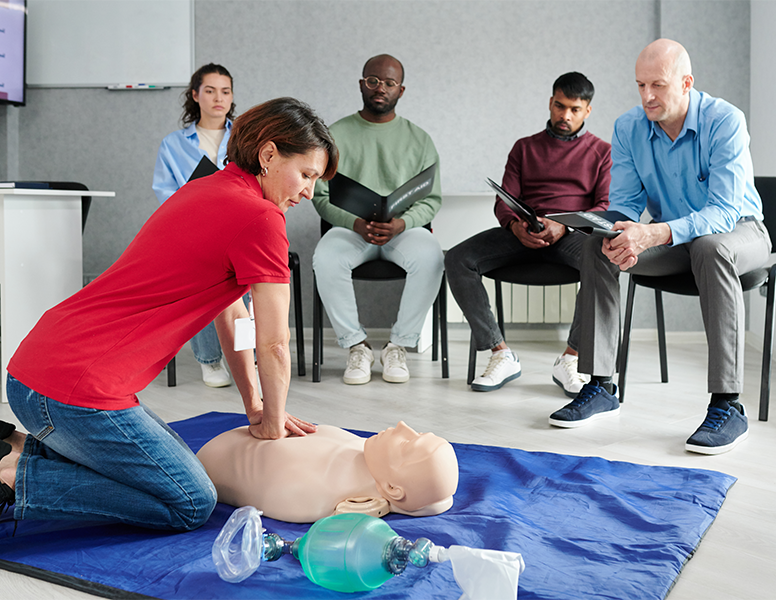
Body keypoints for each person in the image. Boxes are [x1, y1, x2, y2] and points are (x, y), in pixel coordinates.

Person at [0, 97, 339, 529]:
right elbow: (274, 342)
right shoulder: (262, 218)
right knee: (191, 502)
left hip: (32, 372)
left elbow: (231, 316)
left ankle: (13, 443)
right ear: (269, 154)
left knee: (163, 473)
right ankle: (19, 478)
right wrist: (272, 423)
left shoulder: (204, 188)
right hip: (76, 393)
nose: (309, 192)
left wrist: (257, 405)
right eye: (307, 175)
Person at [548, 39, 772, 456]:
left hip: (741, 233)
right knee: (599, 246)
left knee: (710, 247)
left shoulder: (725, 121)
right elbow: (626, 205)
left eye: (659, 85)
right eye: (640, 85)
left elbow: (723, 213)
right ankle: (600, 386)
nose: (647, 96)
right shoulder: (629, 127)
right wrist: (619, 233)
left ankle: (728, 404)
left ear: (686, 83)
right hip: (674, 238)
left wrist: (651, 234)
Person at [445, 72, 611, 395]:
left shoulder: (601, 152)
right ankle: (500, 352)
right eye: (560, 106)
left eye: (574, 109)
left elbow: (604, 206)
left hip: (571, 234)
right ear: (550, 102)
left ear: (587, 111)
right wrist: (515, 226)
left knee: (603, 262)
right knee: (457, 258)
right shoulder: (524, 148)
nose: (565, 116)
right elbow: (504, 199)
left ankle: (572, 358)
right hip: (523, 232)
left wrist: (564, 224)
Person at [312, 54, 443, 385]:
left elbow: (432, 199)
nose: (380, 88)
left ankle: (398, 346)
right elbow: (320, 196)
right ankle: (356, 346)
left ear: (401, 90)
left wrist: (403, 223)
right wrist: (354, 223)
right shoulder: (334, 135)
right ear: (361, 84)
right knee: (325, 258)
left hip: (403, 231)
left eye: (388, 83)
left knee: (431, 257)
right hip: (351, 229)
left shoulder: (420, 140)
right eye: (373, 81)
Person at [152, 63, 237, 388]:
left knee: (246, 265)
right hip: (193, 232)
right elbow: (166, 193)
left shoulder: (246, 137)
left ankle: (246, 353)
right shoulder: (173, 144)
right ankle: (210, 360)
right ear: (195, 95)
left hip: (237, 228)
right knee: (200, 270)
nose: (219, 98)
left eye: (225, 91)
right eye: (211, 90)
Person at [197, 421, 459, 523]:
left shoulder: (315, 493)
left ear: (392, 489)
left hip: (210, 465)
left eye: (406, 444)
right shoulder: (370, 454)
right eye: (418, 431)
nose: (402, 426)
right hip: (227, 447)